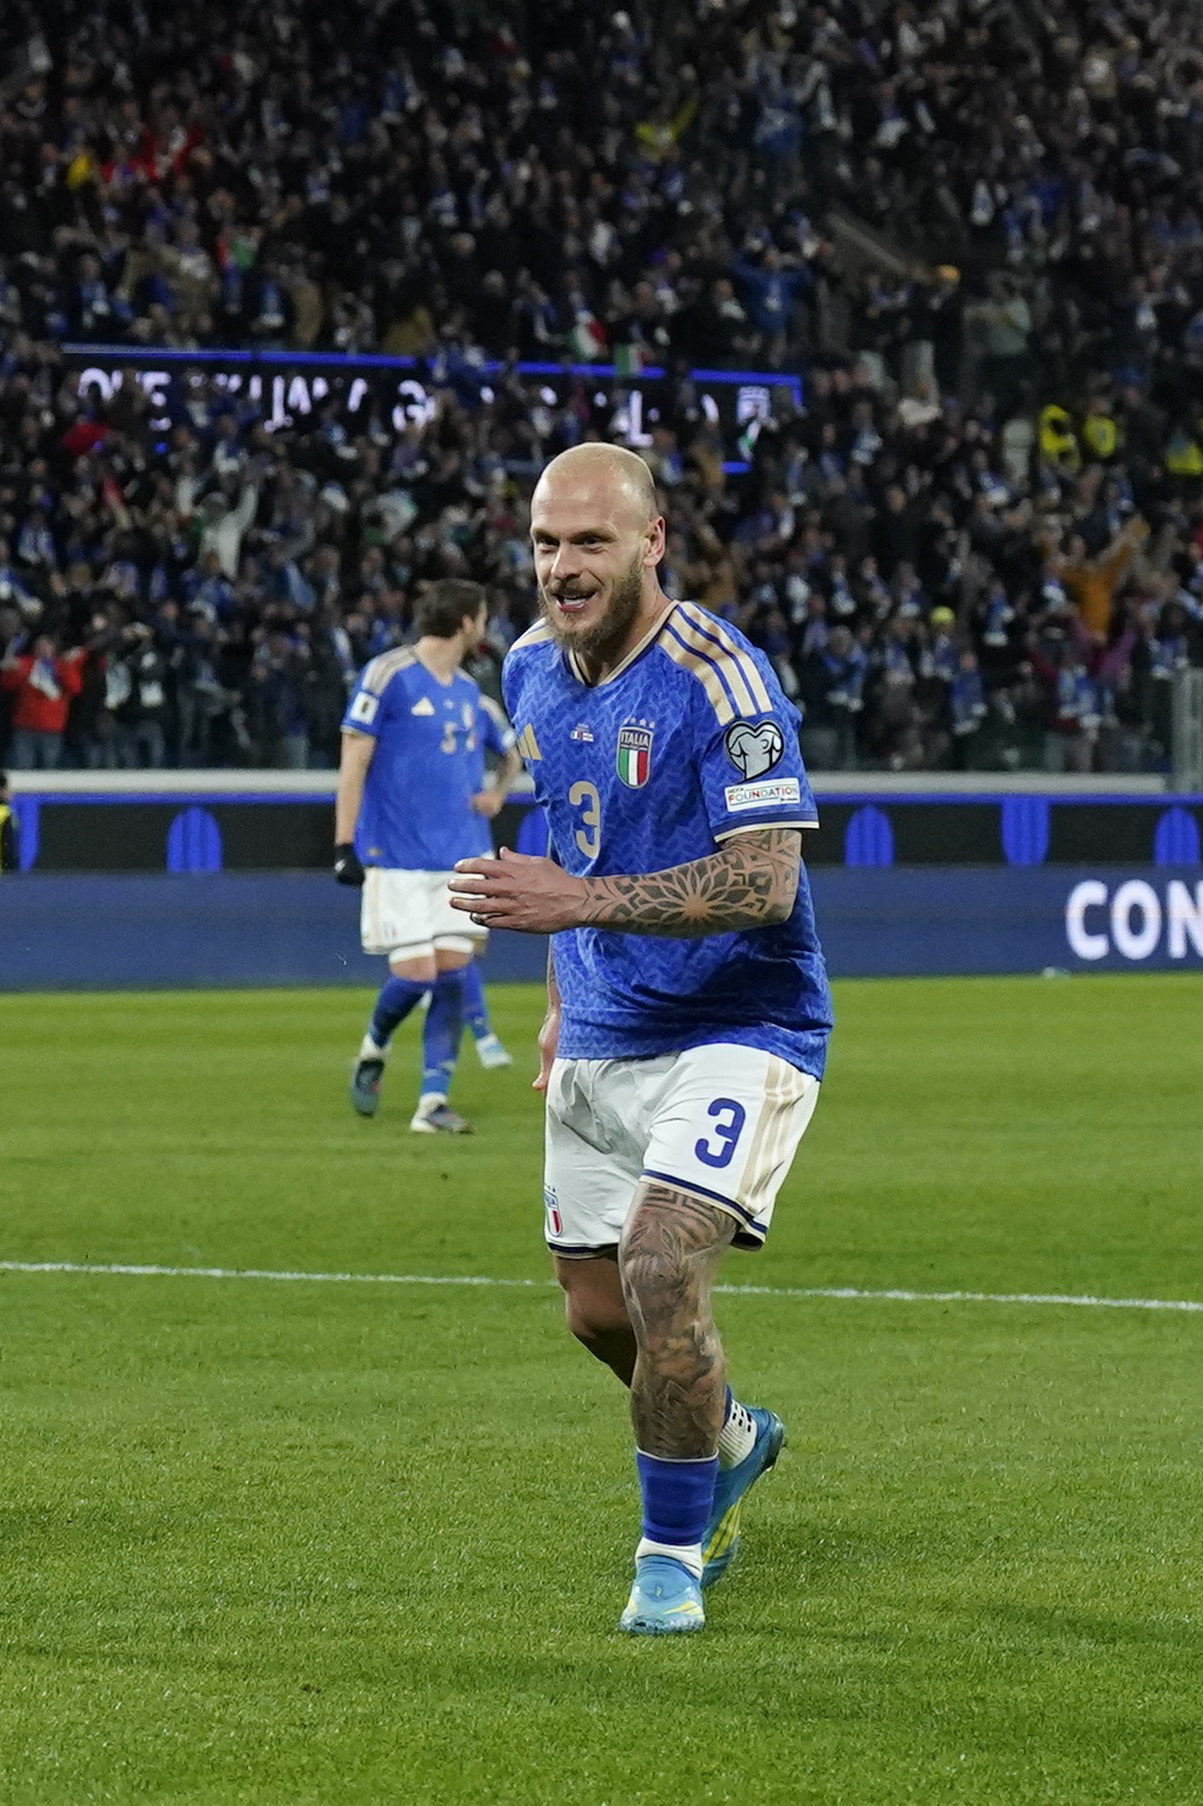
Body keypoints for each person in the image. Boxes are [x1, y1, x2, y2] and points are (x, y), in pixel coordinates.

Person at [448, 442, 828, 1637]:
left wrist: (577, 906)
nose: (563, 567)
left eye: (591, 543)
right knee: (597, 1311)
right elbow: (584, 831)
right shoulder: (528, 671)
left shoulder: (721, 681)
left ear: (652, 543)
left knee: (662, 1263)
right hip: (604, 1031)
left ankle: (669, 1559)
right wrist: (565, 999)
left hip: (740, 1024)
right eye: (548, 543)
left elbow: (767, 881)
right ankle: (725, 1434)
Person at [332, 579, 518, 1131]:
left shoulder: (468, 693)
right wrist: (343, 843)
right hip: (399, 857)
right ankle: (373, 1048)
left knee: (454, 976)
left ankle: (432, 1104)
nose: (485, 627)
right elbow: (353, 762)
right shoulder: (386, 675)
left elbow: (511, 755)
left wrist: (497, 794)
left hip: (462, 857)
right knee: (416, 976)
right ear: (467, 621)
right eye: (482, 617)